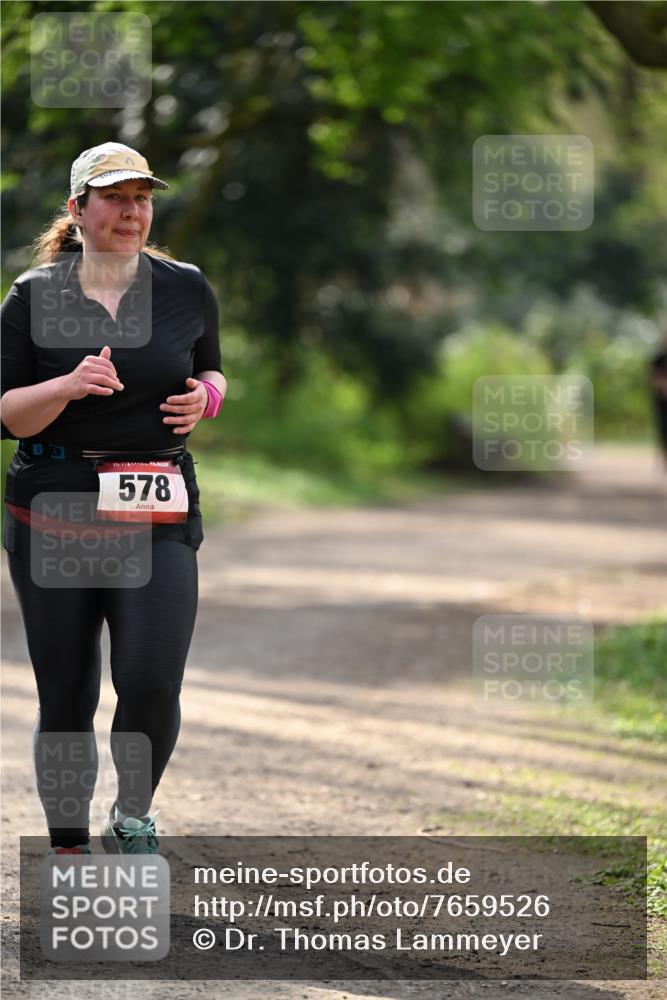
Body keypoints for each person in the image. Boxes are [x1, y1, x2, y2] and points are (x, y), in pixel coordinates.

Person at [1, 142, 226, 855]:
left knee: (152, 676)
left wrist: (207, 399)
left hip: (156, 504)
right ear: (78, 210)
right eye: (115, 197)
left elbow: (212, 368)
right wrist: (65, 386)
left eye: (142, 198)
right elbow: (7, 412)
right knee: (68, 694)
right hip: (54, 507)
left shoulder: (184, 285)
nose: (132, 211)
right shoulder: (35, 295)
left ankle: (131, 816)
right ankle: (67, 840)